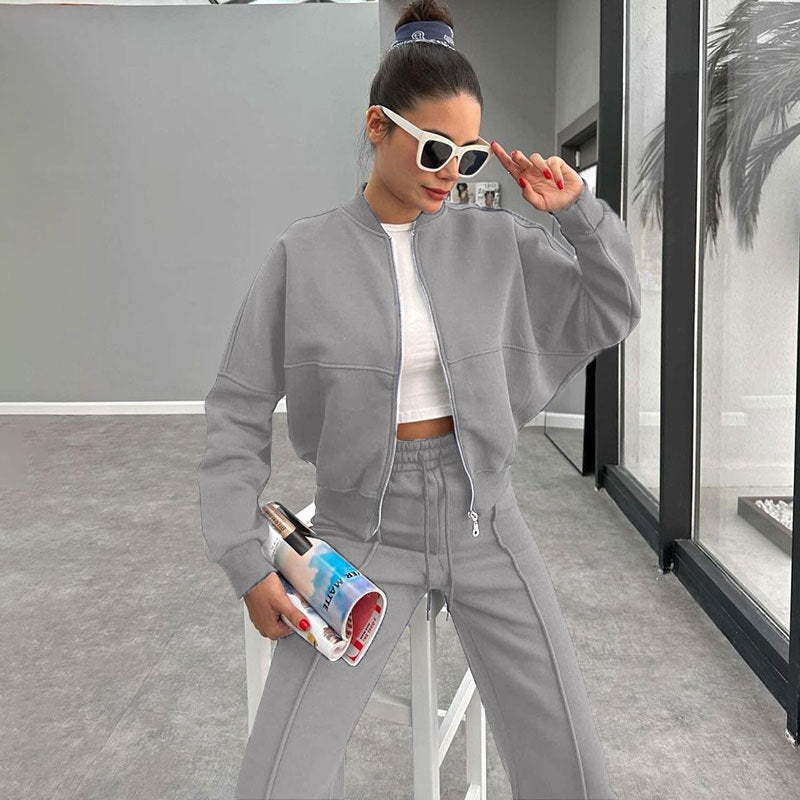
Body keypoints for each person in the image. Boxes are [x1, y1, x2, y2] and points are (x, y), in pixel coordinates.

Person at [197, 1, 640, 797]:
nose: (450, 172)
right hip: (359, 533)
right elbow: (237, 407)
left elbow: (612, 306)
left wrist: (578, 213)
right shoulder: (304, 255)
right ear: (378, 126)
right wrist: (241, 555)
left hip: (487, 523)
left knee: (572, 768)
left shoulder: (493, 240)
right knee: (278, 780)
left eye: (466, 156)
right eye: (436, 148)